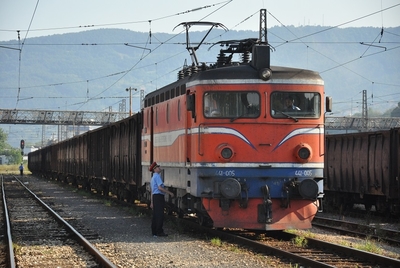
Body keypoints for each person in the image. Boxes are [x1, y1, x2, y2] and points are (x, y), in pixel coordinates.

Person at [149, 161, 174, 237]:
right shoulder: (157, 176)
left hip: (155, 197)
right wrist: (169, 193)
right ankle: (159, 231)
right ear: (155, 169)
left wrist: (152, 202)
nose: (160, 168)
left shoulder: (153, 178)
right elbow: (160, 188)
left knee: (155, 215)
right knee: (160, 215)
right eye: (158, 167)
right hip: (159, 197)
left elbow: (152, 191)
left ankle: (154, 232)